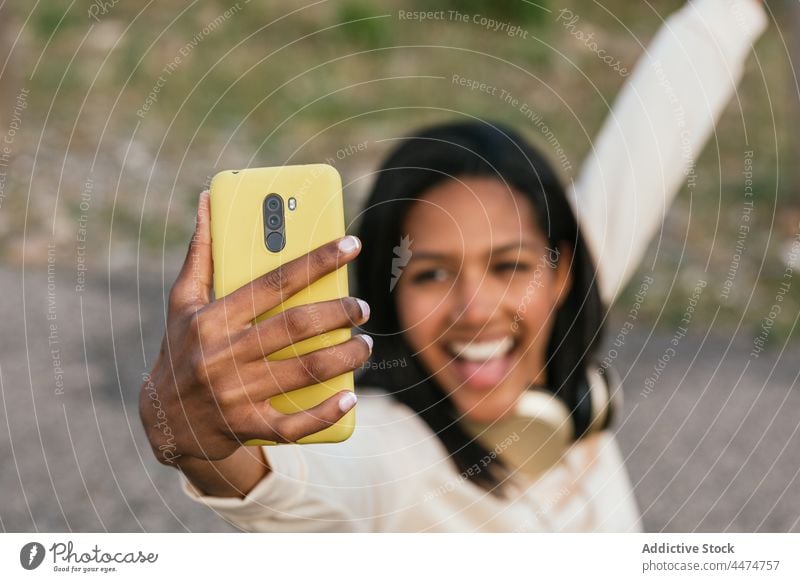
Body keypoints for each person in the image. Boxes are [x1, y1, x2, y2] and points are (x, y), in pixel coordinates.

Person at [139, 0, 767, 531]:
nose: (476, 309)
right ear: (387, 295)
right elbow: (295, 482)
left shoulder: (569, 394)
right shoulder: (389, 452)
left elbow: (659, 124)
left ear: (562, 274)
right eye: (431, 273)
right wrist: (206, 446)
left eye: (510, 266)